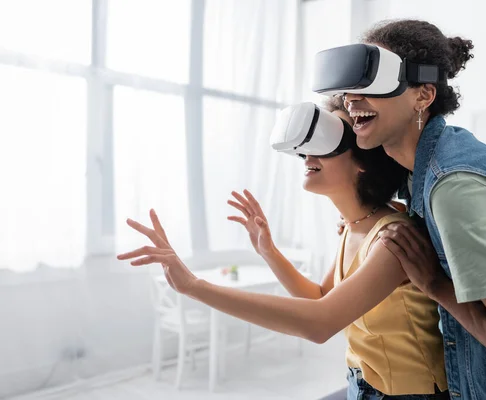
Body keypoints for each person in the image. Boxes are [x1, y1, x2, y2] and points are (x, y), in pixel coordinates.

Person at [117, 99, 450, 399]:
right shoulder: (353, 226)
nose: (307, 154)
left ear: (364, 161)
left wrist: (195, 287)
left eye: (326, 142)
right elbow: (320, 297)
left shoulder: (393, 239)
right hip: (362, 385)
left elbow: (319, 323)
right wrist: (269, 251)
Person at [335, 19, 486, 399]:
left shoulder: (455, 188)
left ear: (423, 95)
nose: (352, 98)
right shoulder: (424, 166)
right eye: (350, 87)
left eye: (372, 84)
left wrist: (433, 284)